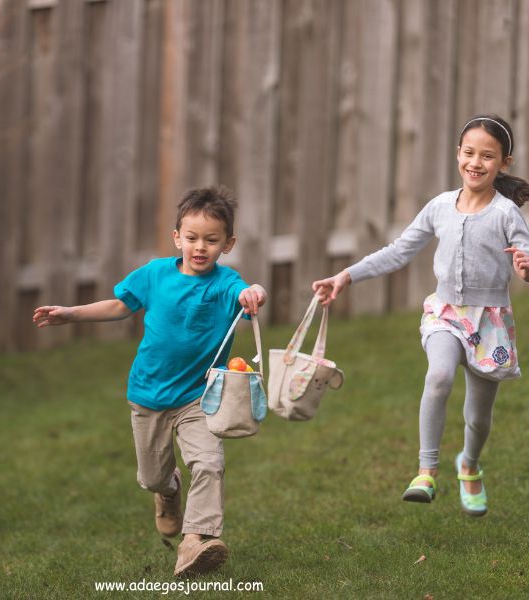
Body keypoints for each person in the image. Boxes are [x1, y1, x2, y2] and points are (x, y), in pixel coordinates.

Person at [33, 186, 266, 577]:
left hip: (200, 396)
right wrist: (71, 313)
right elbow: (120, 305)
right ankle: (168, 492)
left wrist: (254, 292)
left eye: (211, 240)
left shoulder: (226, 283)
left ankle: (198, 540)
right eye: (191, 238)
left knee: (208, 462)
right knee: (152, 477)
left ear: (229, 243)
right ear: (177, 237)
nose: (200, 247)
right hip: (149, 395)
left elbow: (246, 292)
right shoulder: (156, 273)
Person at [312, 114, 529, 517]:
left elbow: (525, 256)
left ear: (504, 163)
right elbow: (398, 251)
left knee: (478, 419)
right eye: (468, 153)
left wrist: (525, 268)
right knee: (440, 375)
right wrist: (346, 275)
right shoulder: (440, 207)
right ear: (457, 154)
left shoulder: (506, 215)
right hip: (445, 314)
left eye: (487, 156)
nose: (475, 163)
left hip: (490, 323)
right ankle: (426, 471)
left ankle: (469, 463)